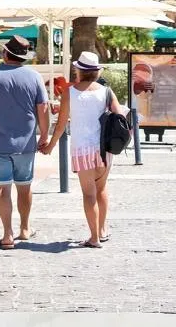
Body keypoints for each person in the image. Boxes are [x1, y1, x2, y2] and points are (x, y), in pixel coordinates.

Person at [0, 35, 49, 250]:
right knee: (24, 187)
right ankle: (25, 229)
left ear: (6, 53)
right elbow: (43, 108)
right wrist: (44, 135)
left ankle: (7, 235)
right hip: (26, 142)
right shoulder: (34, 76)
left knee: (2, 187)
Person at [43, 52, 120, 248]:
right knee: (101, 189)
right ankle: (102, 230)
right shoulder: (107, 92)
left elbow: (61, 125)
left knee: (88, 194)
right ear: (96, 72)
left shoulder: (70, 93)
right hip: (105, 148)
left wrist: (51, 146)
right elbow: (120, 117)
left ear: (79, 70)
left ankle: (94, 237)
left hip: (82, 149)